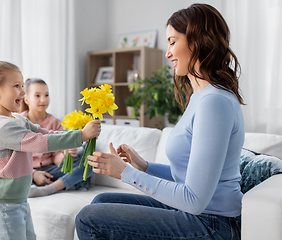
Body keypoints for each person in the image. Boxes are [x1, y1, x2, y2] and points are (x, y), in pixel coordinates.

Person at [75, 3, 244, 240]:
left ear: (198, 41)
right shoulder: (202, 97)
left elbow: (193, 200)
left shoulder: (214, 102)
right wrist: (144, 166)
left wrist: (124, 172)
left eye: (173, 42)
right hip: (202, 215)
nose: (167, 53)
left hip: (213, 224)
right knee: (102, 199)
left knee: (88, 219)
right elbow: (189, 177)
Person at [0, 61, 101, 240]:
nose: (22, 91)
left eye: (22, 85)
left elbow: (45, 132)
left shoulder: (16, 119)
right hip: (3, 204)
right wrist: (81, 136)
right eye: (16, 86)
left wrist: (75, 137)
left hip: (18, 200)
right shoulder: (1, 127)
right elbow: (41, 142)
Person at [19, 78, 93, 197]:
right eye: (37, 95)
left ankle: (50, 188)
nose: (43, 100)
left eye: (46, 95)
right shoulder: (19, 122)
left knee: (90, 163)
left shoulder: (56, 123)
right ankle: (68, 183)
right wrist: (33, 174)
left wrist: (66, 154)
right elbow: (15, 158)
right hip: (25, 171)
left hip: (51, 170)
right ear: (26, 99)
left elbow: (56, 159)